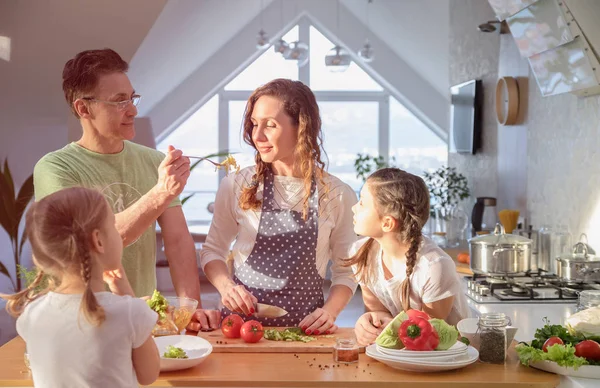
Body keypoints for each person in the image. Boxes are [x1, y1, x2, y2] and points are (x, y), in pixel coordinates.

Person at [33, 48, 219, 331]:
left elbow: (178, 242)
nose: (132, 109)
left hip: (140, 318)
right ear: (84, 108)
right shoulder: (55, 168)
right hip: (79, 320)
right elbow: (91, 245)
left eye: (132, 98)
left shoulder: (154, 161)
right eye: (119, 101)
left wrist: (189, 308)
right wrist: (159, 193)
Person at [200, 79, 358, 334]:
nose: (258, 135)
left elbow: (346, 271)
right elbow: (212, 252)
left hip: (304, 334)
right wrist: (227, 288)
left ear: (302, 128)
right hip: (240, 330)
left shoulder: (337, 194)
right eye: (254, 124)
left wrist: (330, 312)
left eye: (270, 125)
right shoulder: (237, 185)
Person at [1, 187, 160, 387]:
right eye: (113, 225)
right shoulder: (130, 313)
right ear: (98, 240)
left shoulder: (31, 314)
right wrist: (127, 294)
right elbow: (149, 375)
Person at [348, 168, 470, 346]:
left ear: (387, 223)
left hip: (444, 358)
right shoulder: (361, 253)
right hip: (401, 356)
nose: (354, 207)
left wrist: (388, 328)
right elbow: (378, 312)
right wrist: (368, 322)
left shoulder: (434, 266)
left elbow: (427, 334)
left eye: (362, 203)